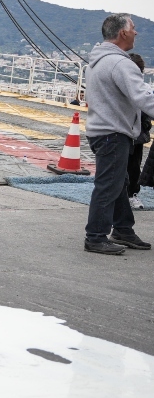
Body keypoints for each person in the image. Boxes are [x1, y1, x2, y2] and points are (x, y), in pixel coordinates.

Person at [83, 13, 154, 254]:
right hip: (113, 133)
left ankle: (123, 229)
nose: (136, 32)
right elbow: (143, 97)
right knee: (108, 186)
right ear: (123, 33)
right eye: (133, 28)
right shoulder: (121, 64)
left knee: (118, 182)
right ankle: (95, 236)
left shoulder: (95, 61)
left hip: (100, 131)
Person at [125, 53, 152, 209]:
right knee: (124, 166)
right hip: (124, 132)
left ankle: (132, 193)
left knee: (134, 166)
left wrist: (145, 126)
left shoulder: (144, 89)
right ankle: (125, 194)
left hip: (137, 134)